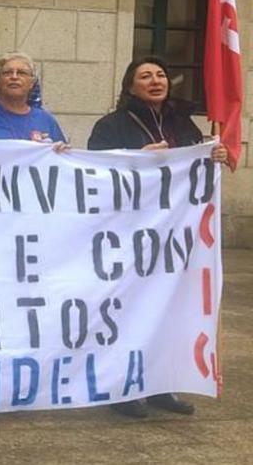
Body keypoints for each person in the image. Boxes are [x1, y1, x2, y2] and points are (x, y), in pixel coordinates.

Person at [86, 56, 226, 419]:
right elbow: (93, 173)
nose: (155, 80)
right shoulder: (111, 125)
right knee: (130, 311)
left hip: (176, 240)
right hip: (128, 237)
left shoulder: (183, 123)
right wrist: (135, 158)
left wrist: (215, 155)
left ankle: (163, 384)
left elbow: (198, 170)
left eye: (161, 74)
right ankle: (123, 387)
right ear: (129, 86)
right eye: (145, 76)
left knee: (171, 310)